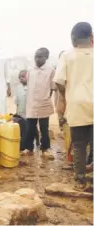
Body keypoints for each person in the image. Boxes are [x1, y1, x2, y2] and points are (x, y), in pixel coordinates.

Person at [54, 22, 93, 191]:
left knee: (78, 144)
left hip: (76, 104)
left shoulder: (67, 56)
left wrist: (65, 95)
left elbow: (59, 82)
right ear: (91, 37)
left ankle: (80, 179)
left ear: (72, 39)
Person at [23, 48, 55, 157]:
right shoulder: (31, 69)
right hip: (32, 102)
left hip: (44, 102)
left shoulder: (50, 70)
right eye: (35, 56)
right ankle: (28, 148)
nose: (37, 59)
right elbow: (27, 83)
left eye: (40, 57)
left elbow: (52, 88)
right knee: (30, 127)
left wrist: (45, 98)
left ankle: (45, 149)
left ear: (46, 57)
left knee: (44, 127)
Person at [14, 70, 40, 151]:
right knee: (24, 128)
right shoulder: (18, 88)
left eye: (23, 76)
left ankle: (36, 142)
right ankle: (25, 145)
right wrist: (17, 112)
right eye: (19, 77)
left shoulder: (32, 87)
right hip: (21, 112)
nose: (21, 78)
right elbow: (17, 101)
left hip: (31, 112)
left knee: (32, 128)